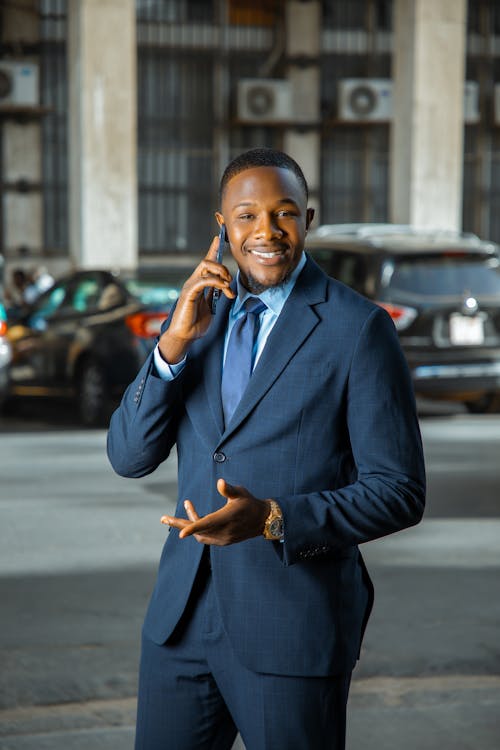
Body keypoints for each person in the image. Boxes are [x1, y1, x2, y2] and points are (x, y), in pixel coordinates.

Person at [107, 148, 426, 750]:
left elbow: (399, 492)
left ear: (309, 218)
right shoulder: (198, 319)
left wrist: (274, 518)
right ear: (221, 225)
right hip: (180, 623)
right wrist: (171, 346)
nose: (266, 231)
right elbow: (128, 456)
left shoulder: (357, 329)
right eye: (247, 215)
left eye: (284, 214)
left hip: (292, 623)